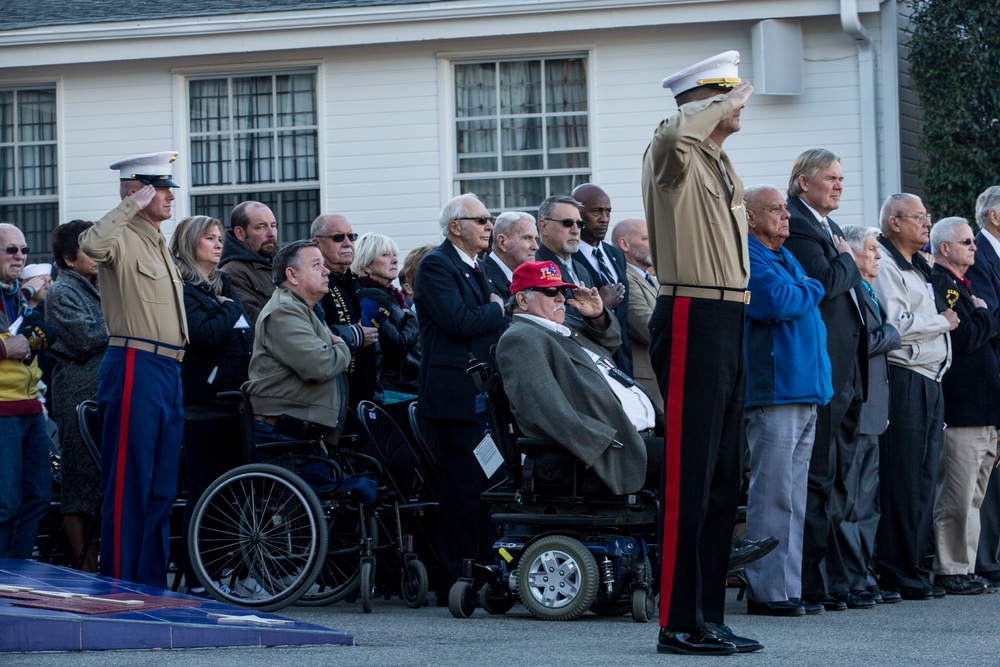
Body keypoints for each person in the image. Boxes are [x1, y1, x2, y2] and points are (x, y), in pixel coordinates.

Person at [642, 50, 758, 655]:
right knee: (689, 473)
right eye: (730, 95)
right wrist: (717, 102)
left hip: (726, 312)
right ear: (704, 101)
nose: (741, 105)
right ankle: (675, 622)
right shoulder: (673, 153)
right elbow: (672, 132)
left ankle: (707, 615)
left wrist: (719, 107)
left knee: (719, 474)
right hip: (690, 309)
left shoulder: (718, 161)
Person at [79, 151, 187, 588]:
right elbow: (90, 246)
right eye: (160, 189)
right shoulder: (122, 233)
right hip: (135, 361)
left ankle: (150, 583)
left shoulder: (157, 239)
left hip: (169, 368)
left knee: (161, 487)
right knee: (129, 481)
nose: (169, 197)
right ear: (137, 190)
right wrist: (129, 206)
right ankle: (120, 583)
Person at [781, 148, 868, 612]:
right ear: (803, 183)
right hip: (822, 372)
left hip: (848, 370)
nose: (838, 185)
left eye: (841, 177)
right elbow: (826, 283)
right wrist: (848, 261)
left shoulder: (830, 228)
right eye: (830, 178)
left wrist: (844, 257)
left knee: (839, 482)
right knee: (816, 479)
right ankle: (810, 582)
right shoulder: (796, 224)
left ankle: (836, 576)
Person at [740, 185, 832, 617]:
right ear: (751, 217)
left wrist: (805, 287)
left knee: (794, 495)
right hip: (776, 390)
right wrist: (810, 288)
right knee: (773, 493)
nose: (785, 216)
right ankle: (766, 591)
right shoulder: (749, 254)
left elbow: (801, 291)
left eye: (784, 209)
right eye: (774, 209)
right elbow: (777, 301)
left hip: (803, 389)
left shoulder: (782, 254)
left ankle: (786, 587)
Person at [414, 193, 508, 601]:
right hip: (453, 398)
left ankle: (483, 567)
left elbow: (478, 323)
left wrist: (489, 311)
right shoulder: (437, 265)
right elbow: (457, 321)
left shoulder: (478, 267)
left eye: (490, 220)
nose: (490, 225)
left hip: (480, 396)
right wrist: (496, 309)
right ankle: (455, 575)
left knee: (487, 483)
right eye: (482, 219)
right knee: (461, 488)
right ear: (456, 227)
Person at [496, 259, 657, 494]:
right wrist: (606, 442)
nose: (561, 297)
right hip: (608, 451)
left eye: (562, 290)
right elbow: (548, 411)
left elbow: (612, 341)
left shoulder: (564, 323)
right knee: (697, 462)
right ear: (522, 300)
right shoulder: (521, 338)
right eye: (551, 292)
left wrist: (598, 314)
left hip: (636, 436)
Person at [872, 193, 957, 600]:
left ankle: (916, 568)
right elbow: (896, 325)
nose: (927, 224)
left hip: (931, 380)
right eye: (919, 218)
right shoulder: (886, 265)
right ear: (893, 223)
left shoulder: (918, 265)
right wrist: (941, 321)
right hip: (905, 378)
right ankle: (897, 571)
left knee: (924, 479)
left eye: (927, 217)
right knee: (902, 479)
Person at [169, 215, 254, 597]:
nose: (218, 244)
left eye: (220, 238)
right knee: (206, 493)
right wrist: (226, 310)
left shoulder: (223, 283)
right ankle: (199, 576)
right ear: (190, 243)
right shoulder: (183, 287)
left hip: (233, 403)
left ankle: (229, 571)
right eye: (209, 238)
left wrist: (225, 308)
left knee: (232, 495)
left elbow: (244, 329)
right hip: (202, 405)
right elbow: (203, 335)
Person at [928, 217, 998, 595]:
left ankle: (965, 566)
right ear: (945, 249)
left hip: (984, 410)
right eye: (966, 241)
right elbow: (967, 336)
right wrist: (986, 313)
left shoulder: (963, 285)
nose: (974, 246)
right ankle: (951, 568)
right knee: (957, 494)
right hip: (964, 409)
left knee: (974, 495)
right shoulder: (946, 285)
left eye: (973, 240)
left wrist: (983, 314)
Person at [243, 240, 351, 470]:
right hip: (282, 434)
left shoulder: (302, 309)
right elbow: (320, 365)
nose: (326, 271)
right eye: (316, 265)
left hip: (298, 430)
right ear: (292, 275)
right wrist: (342, 346)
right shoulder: (285, 310)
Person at [839, 224, 902, 604]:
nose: (878, 255)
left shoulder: (867, 290)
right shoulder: (849, 291)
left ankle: (864, 574)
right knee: (850, 500)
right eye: (872, 249)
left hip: (874, 409)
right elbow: (857, 344)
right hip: (855, 408)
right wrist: (892, 334)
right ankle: (850, 576)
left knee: (868, 500)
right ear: (852, 253)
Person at [45, 220, 108, 572]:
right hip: (76, 394)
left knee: (98, 480)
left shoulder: (96, 285)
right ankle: (84, 563)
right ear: (69, 259)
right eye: (89, 248)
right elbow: (86, 336)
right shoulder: (60, 292)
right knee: (78, 478)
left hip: (100, 390)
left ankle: (96, 557)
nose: (97, 255)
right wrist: (123, 320)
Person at [0, 222, 55, 559]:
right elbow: (18, 343)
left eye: (24, 250)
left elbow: (37, 339)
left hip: (30, 408)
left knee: (37, 497)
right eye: (11, 249)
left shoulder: (14, 295)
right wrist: (7, 349)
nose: (20, 256)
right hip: (3, 410)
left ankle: (15, 575)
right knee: (5, 504)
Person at [965, 185, 1000, 590]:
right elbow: (988, 314)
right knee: (985, 476)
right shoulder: (977, 254)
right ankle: (985, 560)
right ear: (994, 216)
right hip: (987, 378)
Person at [312, 213, 378, 409]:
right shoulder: (315, 283)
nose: (348, 243)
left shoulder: (356, 281)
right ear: (317, 243)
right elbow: (312, 330)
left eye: (351, 236)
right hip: (333, 398)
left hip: (366, 395)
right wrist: (355, 334)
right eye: (338, 237)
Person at [572, 184, 632, 375]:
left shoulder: (615, 254)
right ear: (577, 214)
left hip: (622, 360)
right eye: (596, 211)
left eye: (608, 211)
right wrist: (602, 307)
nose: (604, 219)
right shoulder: (568, 257)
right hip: (591, 362)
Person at [353, 232, 420, 404]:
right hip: (393, 391)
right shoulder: (371, 298)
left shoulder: (391, 295)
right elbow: (397, 345)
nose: (395, 260)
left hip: (406, 386)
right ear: (367, 265)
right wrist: (412, 318)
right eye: (385, 255)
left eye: (395, 255)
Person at [612, 217, 662, 405]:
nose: (654, 245)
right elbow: (647, 327)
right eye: (647, 239)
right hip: (647, 381)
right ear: (624, 244)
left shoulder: (651, 279)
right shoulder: (625, 279)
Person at [218, 201, 278, 326]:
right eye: (261, 227)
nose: (271, 233)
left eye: (273, 225)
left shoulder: (280, 265)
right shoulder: (232, 273)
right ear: (240, 233)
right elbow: (256, 322)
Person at [535, 195, 591, 288]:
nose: (576, 230)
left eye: (579, 224)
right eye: (567, 223)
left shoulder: (583, 271)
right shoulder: (533, 268)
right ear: (544, 226)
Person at [482, 212, 538, 300]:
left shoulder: (531, 277)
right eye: (527, 238)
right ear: (502, 242)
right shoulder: (482, 280)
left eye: (536, 239)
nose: (536, 247)